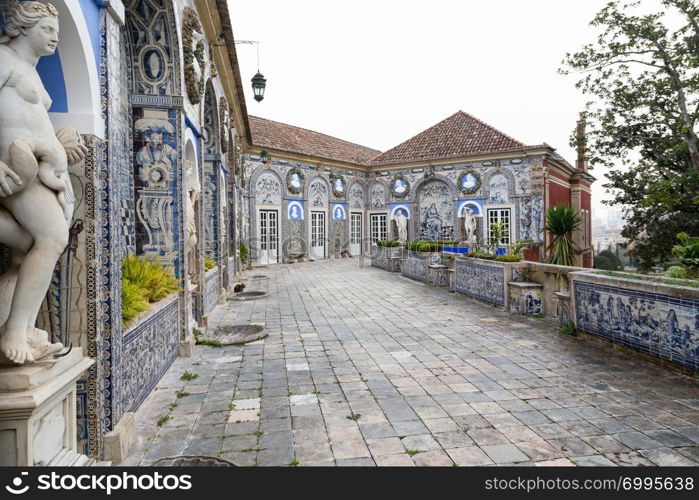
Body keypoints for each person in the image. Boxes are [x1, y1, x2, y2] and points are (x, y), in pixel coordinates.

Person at [0, 1, 86, 364]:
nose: (55, 36)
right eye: (47, 29)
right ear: (22, 26)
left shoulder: (32, 72)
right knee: (51, 238)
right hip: (18, 170)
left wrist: (60, 145)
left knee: (28, 247)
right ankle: (15, 330)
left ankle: (18, 325)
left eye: (57, 30)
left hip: (41, 170)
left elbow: (30, 120)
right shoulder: (3, 60)